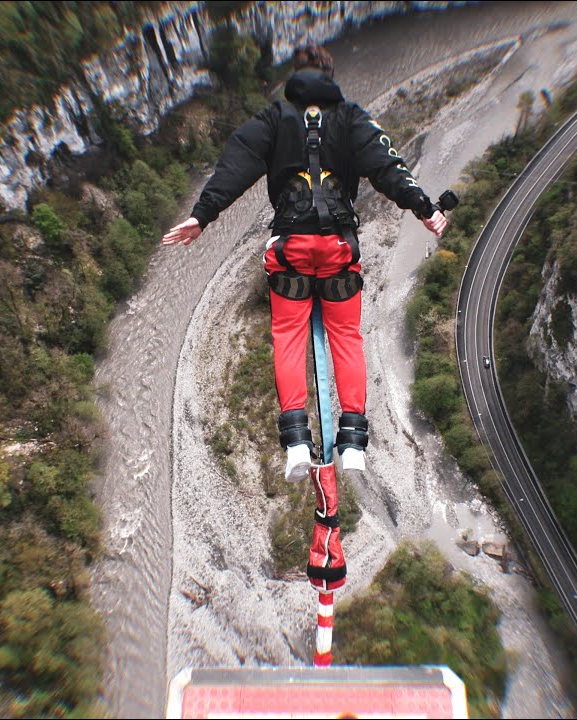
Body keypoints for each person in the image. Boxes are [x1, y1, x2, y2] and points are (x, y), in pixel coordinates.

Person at [162, 44, 447, 482]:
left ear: (297, 77)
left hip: (291, 250)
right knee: (347, 338)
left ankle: (296, 442)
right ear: (330, 76)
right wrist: (425, 210)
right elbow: (388, 167)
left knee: (289, 337)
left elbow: (233, 167)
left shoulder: (273, 119)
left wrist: (202, 216)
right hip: (338, 250)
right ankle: (352, 444)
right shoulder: (352, 117)